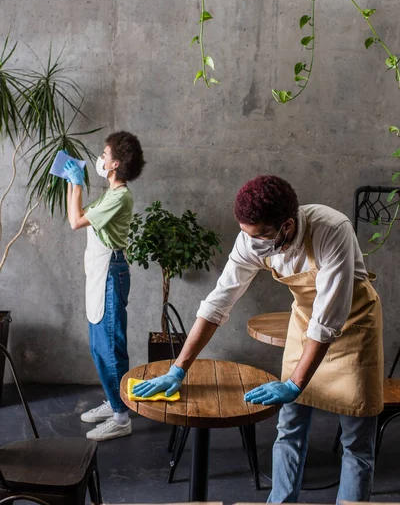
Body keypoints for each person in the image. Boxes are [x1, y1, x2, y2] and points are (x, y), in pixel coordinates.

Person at [134, 175, 383, 502]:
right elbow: (218, 302)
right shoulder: (252, 238)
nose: (253, 243)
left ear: (288, 226)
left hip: (353, 324)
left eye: (261, 235)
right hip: (306, 320)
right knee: (289, 428)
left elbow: (328, 319)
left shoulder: (332, 229)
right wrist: (179, 368)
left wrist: (294, 383)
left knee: (356, 442)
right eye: (247, 233)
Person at [64, 131, 145, 441]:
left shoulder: (120, 196)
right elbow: (81, 215)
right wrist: (74, 183)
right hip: (102, 272)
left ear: (114, 164)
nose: (99, 157)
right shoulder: (110, 195)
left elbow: (74, 221)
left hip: (111, 272)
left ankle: (122, 417)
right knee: (100, 343)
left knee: (110, 344)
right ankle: (114, 402)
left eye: (103, 153)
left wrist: (76, 182)